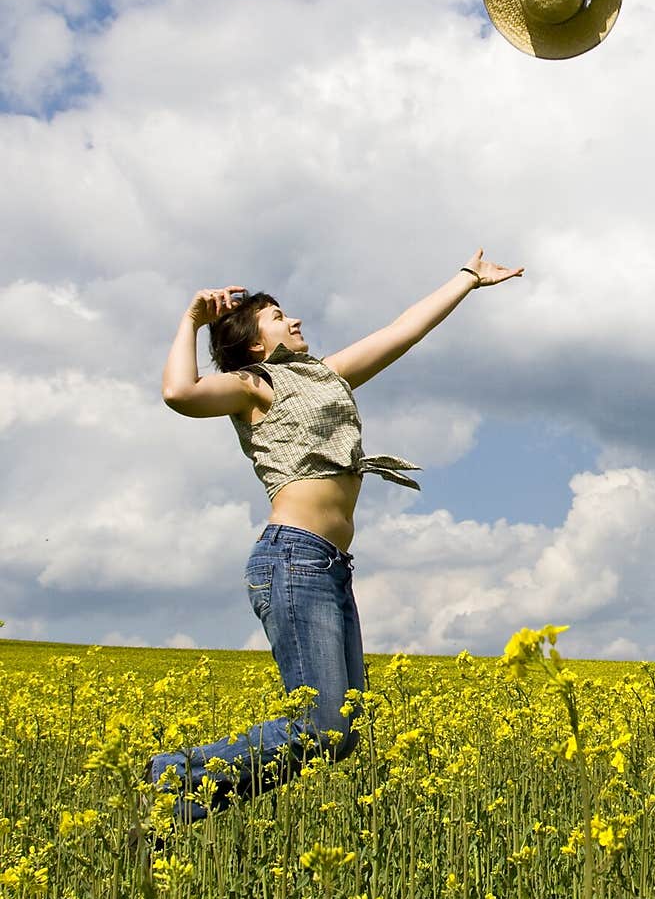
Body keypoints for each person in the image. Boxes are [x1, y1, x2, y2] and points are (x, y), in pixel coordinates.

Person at [144, 248, 525, 826]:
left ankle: (183, 811)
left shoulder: (326, 375)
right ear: (253, 344)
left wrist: (468, 280)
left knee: (339, 736)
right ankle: (174, 772)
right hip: (291, 558)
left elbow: (402, 331)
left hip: (329, 566)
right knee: (319, 725)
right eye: (277, 317)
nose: (293, 321)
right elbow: (178, 393)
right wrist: (192, 321)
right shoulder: (252, 387)